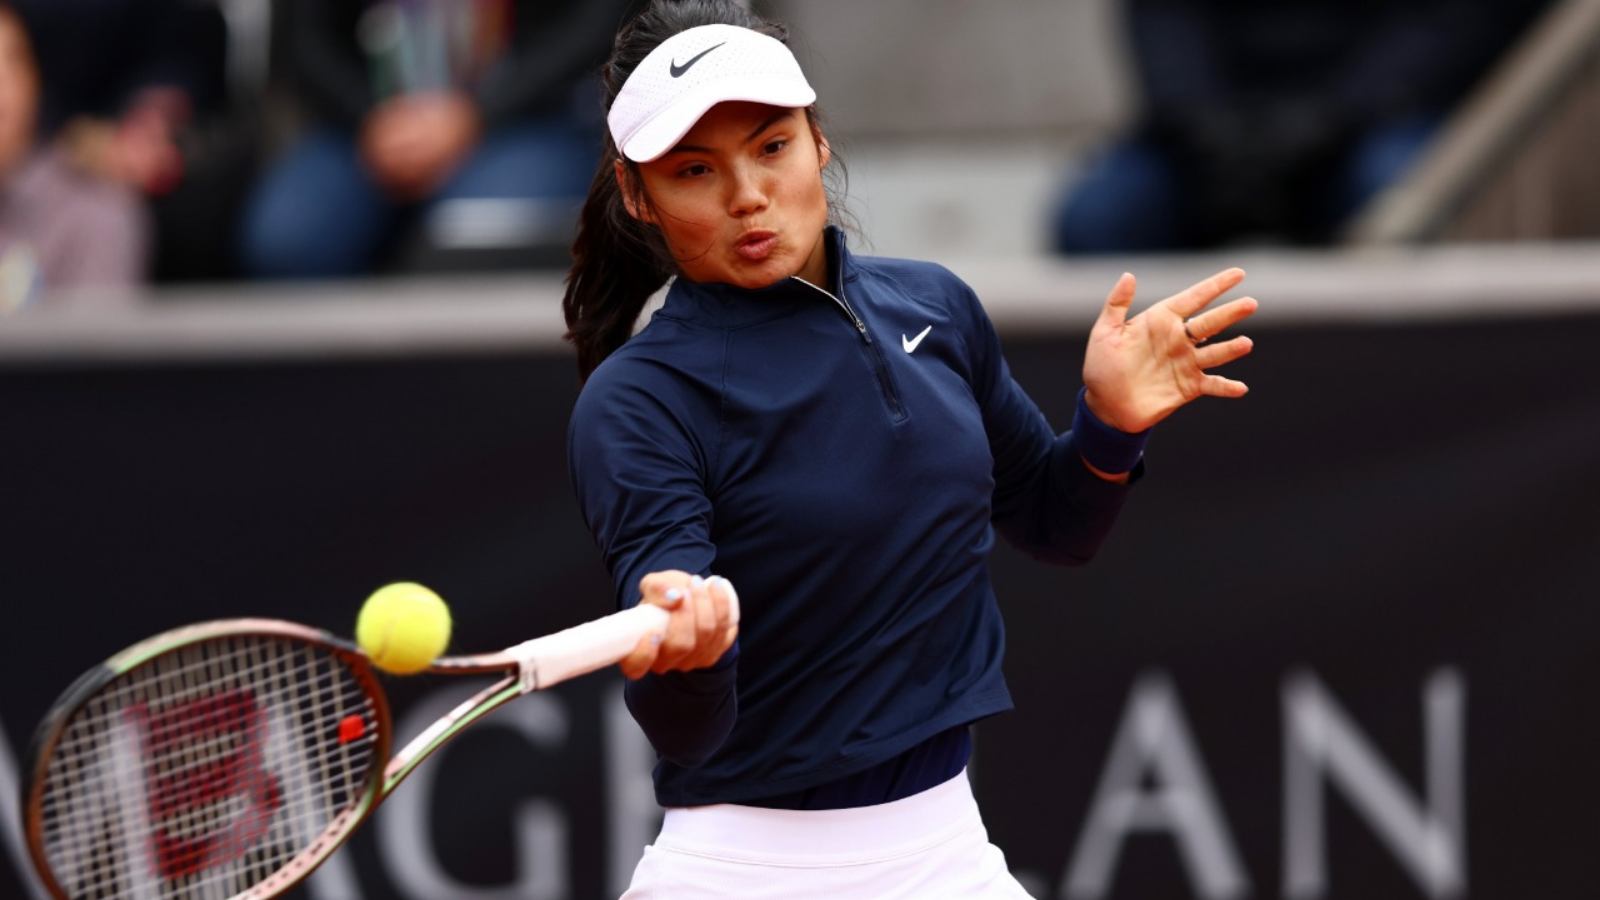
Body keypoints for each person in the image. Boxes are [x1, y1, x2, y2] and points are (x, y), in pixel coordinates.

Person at [563, 1, 1258, 894]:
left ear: (817, 141)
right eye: (695, 170)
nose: (746, 195)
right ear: (637, 195)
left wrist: (1109, 426)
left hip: (947, 856)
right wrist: (693, 657)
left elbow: (1056, 524)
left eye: (771, 147)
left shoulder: (935, 307)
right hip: (743, 870)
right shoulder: (639, 402)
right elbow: (686, 730)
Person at [1051, 0, 1550, 252]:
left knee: (1401, 210)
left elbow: (1452, 24)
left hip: (1369, 125)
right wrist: (1204, 126)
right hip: (1213, 130)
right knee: (1099, 217)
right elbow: (1166, 16)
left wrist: (1333, 119)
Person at [238, 0, 633, 278]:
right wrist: (373, 121)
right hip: (362, 124)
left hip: (523, 117)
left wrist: (474, 114)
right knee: (289, 243)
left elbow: (593, 27)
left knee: (477, 243)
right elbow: (304, 40)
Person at [0, 2, 148, 310]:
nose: (1, 85)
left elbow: (96, 351)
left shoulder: (94, 210)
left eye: (12, 61)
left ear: (34, 81)